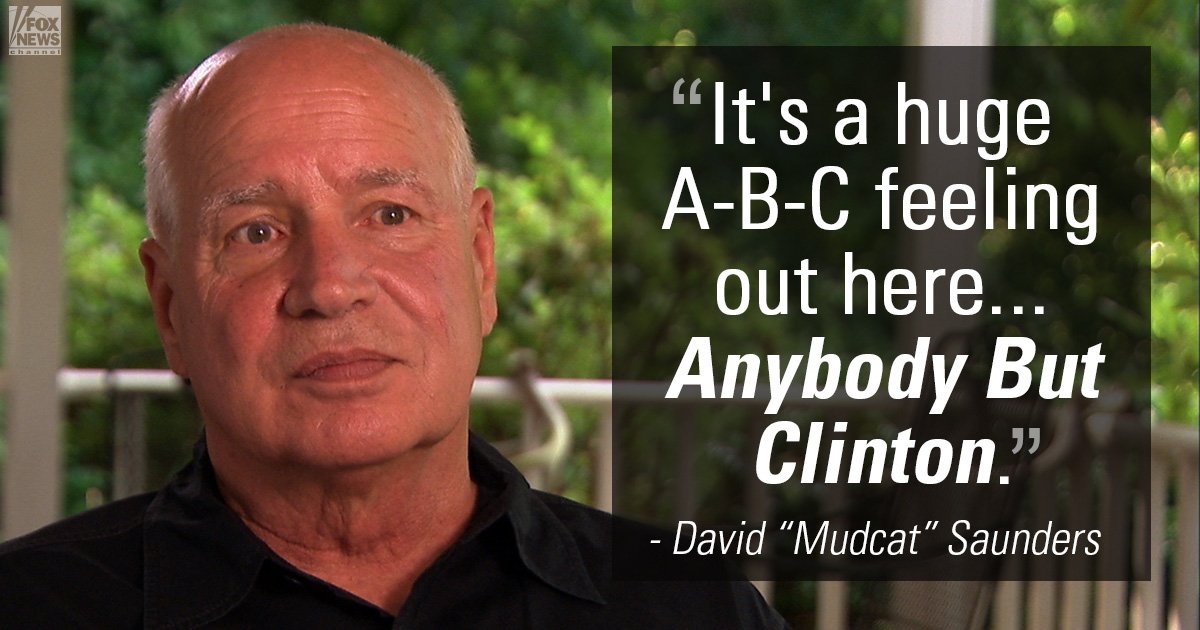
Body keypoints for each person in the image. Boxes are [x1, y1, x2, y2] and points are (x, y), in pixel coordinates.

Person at [0, 24, 786, 628]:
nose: (330, 287)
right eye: (256, 232)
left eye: (390, 215)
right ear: (171, 305)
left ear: (481, 262)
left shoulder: (695, 609)